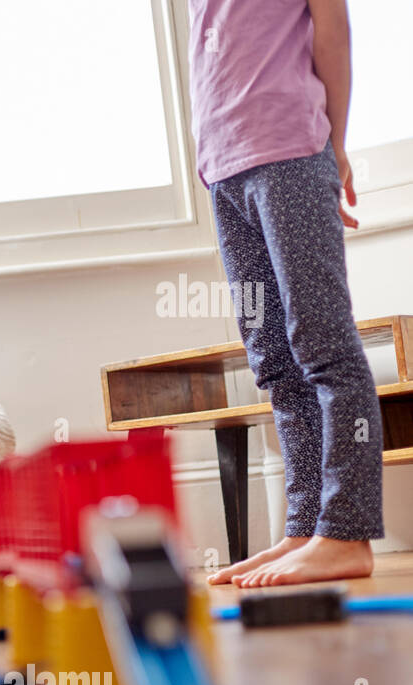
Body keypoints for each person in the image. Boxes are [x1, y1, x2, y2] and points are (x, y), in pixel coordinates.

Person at [190, 0, 382, 587]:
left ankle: (346, 532)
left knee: (322, 344)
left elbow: (334, 29)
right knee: (272, 359)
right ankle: (305, 526)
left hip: (289, 151)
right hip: (223, 166)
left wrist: (337, 145)